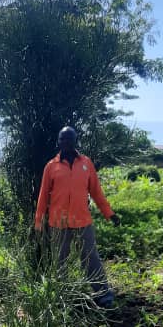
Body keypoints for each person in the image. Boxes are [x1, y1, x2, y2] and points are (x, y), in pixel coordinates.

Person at [34, 126, 120, 307]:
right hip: (58, 222)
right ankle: (61, 297)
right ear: (58, 141)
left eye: (69, 138)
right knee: (59, 261)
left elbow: (96, 192)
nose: (65, 142)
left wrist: (109, 214)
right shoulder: (51, 167)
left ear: (75, 141)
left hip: (82, 220)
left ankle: (103, 293)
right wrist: (38, 223)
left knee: (90, 257)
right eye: (62, 139)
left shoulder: (86, 163)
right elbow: (43, 196)